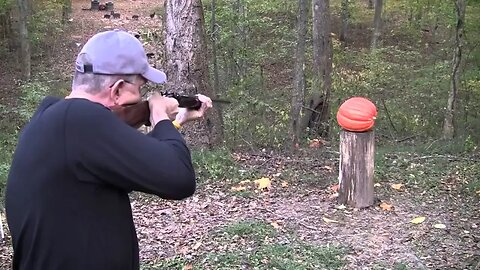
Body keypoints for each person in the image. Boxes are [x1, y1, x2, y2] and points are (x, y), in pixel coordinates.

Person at [5, 29, 212, 270]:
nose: (142, 97)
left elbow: (124, 148)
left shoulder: (54, 118)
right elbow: (179, 178)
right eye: (140, 89)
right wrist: (158, 114)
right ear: (116, 90)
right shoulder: (81, 120)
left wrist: (176, 120)